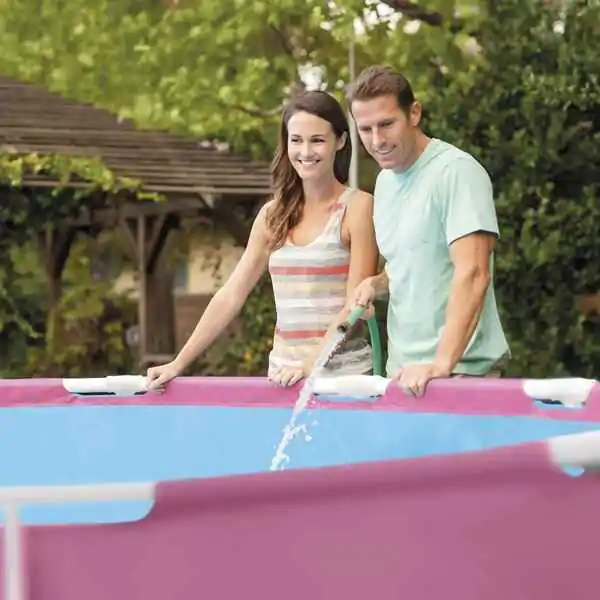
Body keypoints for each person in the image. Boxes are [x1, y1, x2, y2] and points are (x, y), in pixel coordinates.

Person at [146, 90, 379, 390]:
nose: (306, 151)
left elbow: (354, 306)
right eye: (296, 140)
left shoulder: (358, 207)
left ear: (341, 141)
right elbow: (231, 294)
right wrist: (178, 363)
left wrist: (309, 365)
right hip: (283, 379)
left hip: (343, 380)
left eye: (317, 140)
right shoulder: (273, 215)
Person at [346, 65, 510, 397]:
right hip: (401, 375)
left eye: (386, 124)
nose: (377, 141)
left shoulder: (457, 172)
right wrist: (377, 283)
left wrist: (441, 364)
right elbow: (413, 263)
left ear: (414, 113)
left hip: (459, 375)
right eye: (365, 129)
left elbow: (474, 273)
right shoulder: (385, 183)